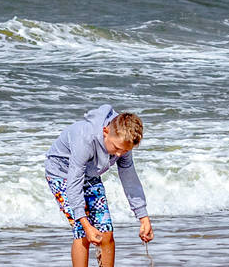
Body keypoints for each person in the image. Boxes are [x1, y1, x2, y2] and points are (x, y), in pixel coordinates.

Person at [45, 105, 154, 267]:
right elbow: (74, 182)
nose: (118, 155)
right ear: (105, 131)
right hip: (62, 174)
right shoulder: (86, 139)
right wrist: (85, 223)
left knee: (106, 234)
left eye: (124, 151)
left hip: (90, 173)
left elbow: (129, 176)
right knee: (82, 233)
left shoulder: (123, 140)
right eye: (116, 148)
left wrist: (143, 217)